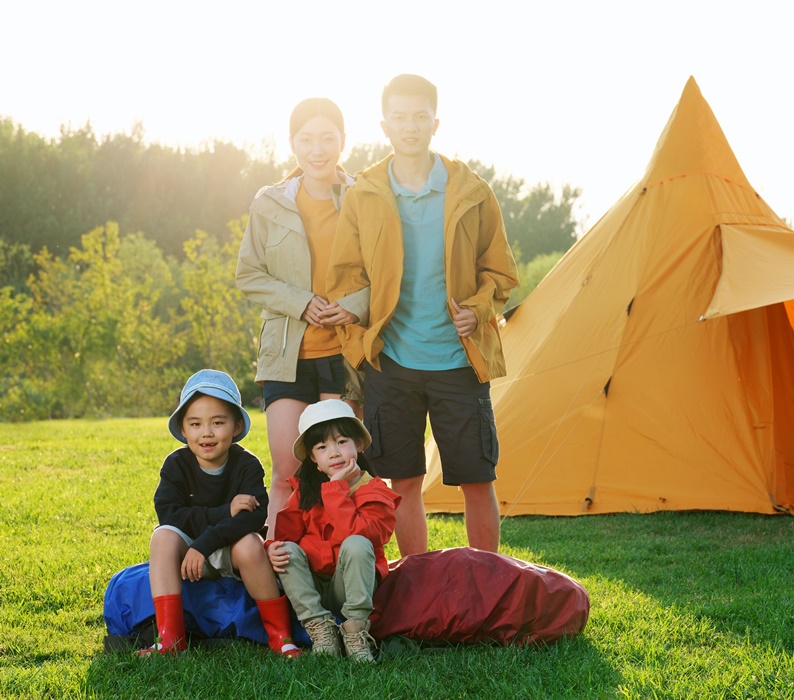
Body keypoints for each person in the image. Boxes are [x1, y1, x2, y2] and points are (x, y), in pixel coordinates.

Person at [327, 74, 518, 557]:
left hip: (459, 360)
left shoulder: (473, 190)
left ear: (435, 123)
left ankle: (488, 580)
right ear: (384, 125)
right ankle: (417, 581)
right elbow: (346, 276)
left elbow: (500, 273)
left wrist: (477, 311)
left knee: (476, 479)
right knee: (403, 481)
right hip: (392, 363)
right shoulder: (364, 193)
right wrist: (359, 342)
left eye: (419, 117)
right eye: (399, 117)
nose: (409, 126)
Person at [236, 97, 368, 539]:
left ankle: (352, 574)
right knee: (287, 471)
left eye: (328, 138)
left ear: (343, 142)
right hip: (286, 356)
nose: (317, 149)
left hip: (346, 353)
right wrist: (300, 300)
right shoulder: (269, 203)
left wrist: (355, 305)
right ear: (292, 143)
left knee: (344, 469)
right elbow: (249, 274)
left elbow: (389, 274)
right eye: (307, 139)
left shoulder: (365, 198)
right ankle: (281, 579)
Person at [141, 369, 300, 657]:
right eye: (196, 423)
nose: (207, 432)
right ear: (184, 429)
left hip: (233, 555)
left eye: (218, 422)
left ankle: (280, 636)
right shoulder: (175, 465)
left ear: (236, 426)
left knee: (251, 542)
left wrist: (207, 541)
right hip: (191, 555)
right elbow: (170, 515)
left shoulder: (247, 465)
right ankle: (170, 638)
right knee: (162, 536)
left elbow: (253, 518)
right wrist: (225, 511)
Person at [265, 400, 399, 662]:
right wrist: (271, 549)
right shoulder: (305, 492)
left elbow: (361, 533)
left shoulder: (375, 491)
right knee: (286, 550)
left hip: (351, 588)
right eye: (322, 447)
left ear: (358, 445)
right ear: (314, 459)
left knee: (358, 543)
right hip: (312, 586)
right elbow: (285, 536)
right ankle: (321, 629)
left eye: (341, 442)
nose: (334, 453)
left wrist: (336, 489)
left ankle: (355, 632)